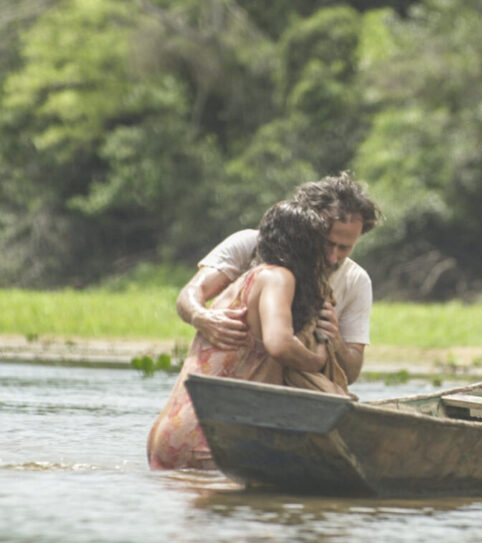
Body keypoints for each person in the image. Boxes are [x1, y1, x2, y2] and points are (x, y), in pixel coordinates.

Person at [148, 201, 348, 470]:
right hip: (208, 438)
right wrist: (317, 359)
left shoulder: (241, 283)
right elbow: (279, 345)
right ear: (308, 249)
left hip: (169, 433)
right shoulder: (278, 277)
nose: (328, 260)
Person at [175, 172, 381, 384]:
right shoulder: (252, 246)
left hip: (297, 388)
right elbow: (189, 294)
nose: (332, 257)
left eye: (345, 248)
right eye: (327, 243)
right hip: (231, 376)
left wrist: (335, 340)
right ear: (307, 225)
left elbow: (351, 374)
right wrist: (201, 317)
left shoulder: (355, 280)